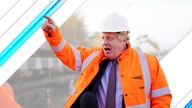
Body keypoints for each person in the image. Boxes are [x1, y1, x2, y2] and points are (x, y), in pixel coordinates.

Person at [41, 13, 172, 108]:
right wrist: (54, 34)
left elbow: (162, 98)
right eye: (103, 37)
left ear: (123, 38)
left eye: (109, 38)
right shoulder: (92, 57)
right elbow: (67, 53)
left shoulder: (149, 63)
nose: (104, 43)